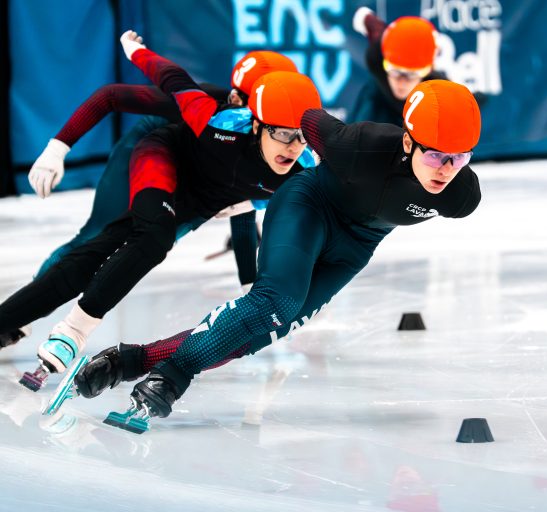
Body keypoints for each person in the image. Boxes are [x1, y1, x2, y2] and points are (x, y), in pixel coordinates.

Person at [75, 78, 482, 432]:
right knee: (274, 301)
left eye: (459, 157)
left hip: (355, 246)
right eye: (434, 154)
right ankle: (170, 376)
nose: (445, 169)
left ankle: (131, 361)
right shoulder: (361, 146)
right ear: (408, 142)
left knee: (265, 329)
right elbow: (308, 118)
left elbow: (445, 176)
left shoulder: (461, 196)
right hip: (310, 207)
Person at [0, 31, 321, 390]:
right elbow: (131, 89)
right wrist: (59, 145)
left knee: (137, 242)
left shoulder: (302, 163)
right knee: (113, 237)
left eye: (299, 135)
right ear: (257, 116)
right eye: (281, 131)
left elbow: (256, 210)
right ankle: (56, 327)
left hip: (200, 198)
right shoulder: (215, 115)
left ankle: (13, 317)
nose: (292, 145)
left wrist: (252, 284)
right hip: (160, 152)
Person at [29, 49, 300, 284]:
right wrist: (58, 147)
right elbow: (111, 95)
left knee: (149, 243)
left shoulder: (272, 138)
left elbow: (242, 202)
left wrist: (248, 285)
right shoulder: (208, 107)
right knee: (95, 236)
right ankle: (27, 306)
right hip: (149, 149)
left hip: (194, 171)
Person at [349, 10, 446, 125]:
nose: (401, 82)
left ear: (428, 70)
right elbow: (373, 26)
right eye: (395, 71)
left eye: (411, 74)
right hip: (379, 106)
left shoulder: (439, 92)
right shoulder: (375, 58)